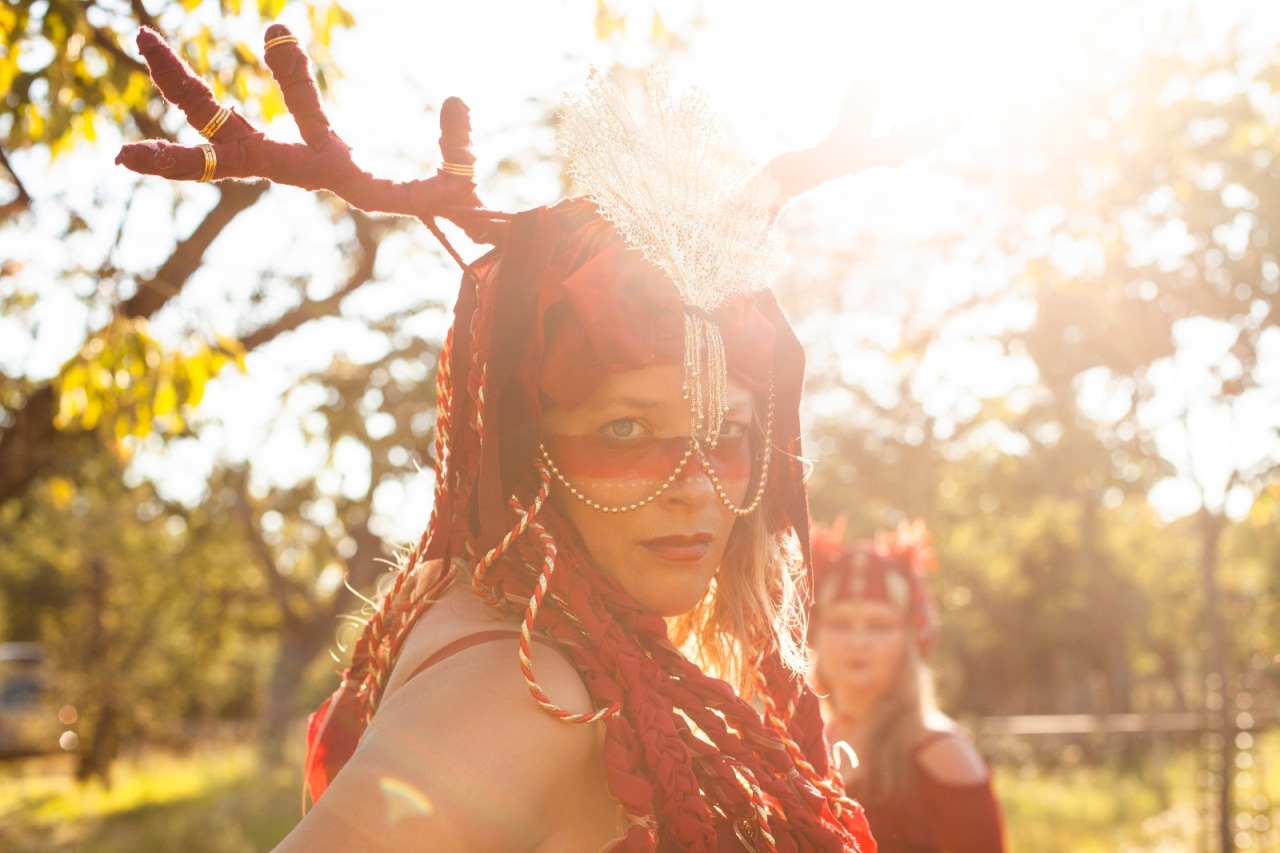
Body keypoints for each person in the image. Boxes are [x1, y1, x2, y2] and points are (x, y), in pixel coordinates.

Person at [116, 22, 947, 851]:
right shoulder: (525, 688)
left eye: (726, 429)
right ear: (526, 448)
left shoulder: (539, 632)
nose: (697, 482)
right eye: (628, 427)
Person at [808, 522, 1006, 853]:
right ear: (816, 635)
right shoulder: (813, 741)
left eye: (879, 625)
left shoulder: (940, 752)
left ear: (910, 641)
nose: (858, 642)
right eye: (840, 623)